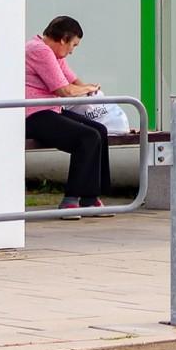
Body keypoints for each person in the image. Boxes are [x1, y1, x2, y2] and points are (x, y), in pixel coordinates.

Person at [24, 15, 111, 211]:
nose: (72, 51)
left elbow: (73, 80)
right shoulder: (39, 50)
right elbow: (64, 90)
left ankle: (91, 197)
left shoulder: (54, 53)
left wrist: (90, 89)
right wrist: (88, 89)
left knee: (99, 130)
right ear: (63, 39)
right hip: (33, 114)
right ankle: (71, 199)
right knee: (87, 137)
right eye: (73, 45)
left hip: (50, 110)